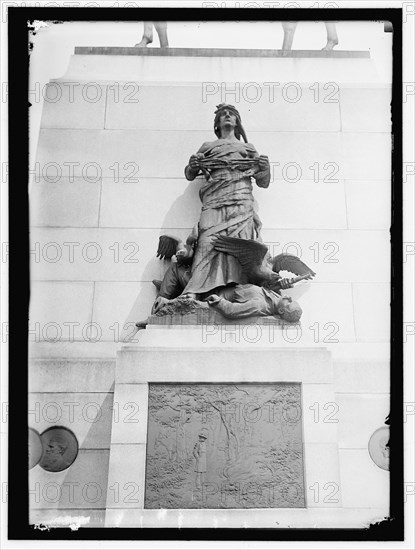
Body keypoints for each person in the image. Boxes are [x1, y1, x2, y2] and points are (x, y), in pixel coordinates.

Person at [182, 104, 270, 298]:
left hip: (241, 198)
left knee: (240, 241)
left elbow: (263, 181)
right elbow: (190, 174)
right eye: (223, 115)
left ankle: (242, 290)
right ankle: (195, 290)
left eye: (231, 114)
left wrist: (266, 168)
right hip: (214, 198)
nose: (227, 116)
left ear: (238, 122)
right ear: (217, 123)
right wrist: (193, 164)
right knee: (207, 240)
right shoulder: (208, 146)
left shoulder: (248, 148)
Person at [207, 284, 303, 323]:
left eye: (289, 302)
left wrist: (218, 301)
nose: (290, 297)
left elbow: (231, 311)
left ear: (281, 310)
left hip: (212, 292)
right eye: (292, 299)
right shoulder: (274, 296)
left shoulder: (259, 305)